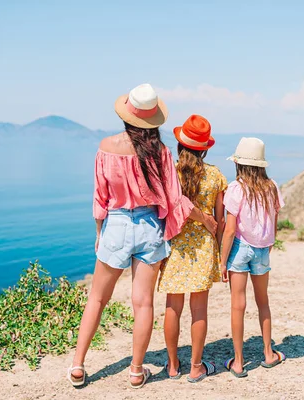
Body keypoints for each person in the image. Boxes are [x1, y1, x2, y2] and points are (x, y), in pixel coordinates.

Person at [67, 84, 217, 389]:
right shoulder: (159, 152)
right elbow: (175, 198)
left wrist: (100, 233)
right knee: (143, 304)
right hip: (149, 227)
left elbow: (100, 198)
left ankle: (78, 365)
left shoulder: (106, 146)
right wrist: (205, 219)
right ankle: (136, 370)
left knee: (96, 298)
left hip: (117, 225)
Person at [157, 115, 227, 383]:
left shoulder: (170, 175)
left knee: (172, 308)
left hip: (175, 247)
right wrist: (222, 256)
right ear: (205, 148)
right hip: (204, 248)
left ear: (179, 146)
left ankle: (173, 365)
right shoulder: (216, 176)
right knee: (199, 310)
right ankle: (196, 366)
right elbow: (219, 222)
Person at [220, 137, 286, 378]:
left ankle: (238, 362)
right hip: (262, 249)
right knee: (263, 302)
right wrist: (269, 245)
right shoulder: (272, 187)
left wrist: (222, 261)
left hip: (239, 248)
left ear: (239, 164)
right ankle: (268, 354)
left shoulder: (236, 189)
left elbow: (229, 230)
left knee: (238, 305)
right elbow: (274, 221)